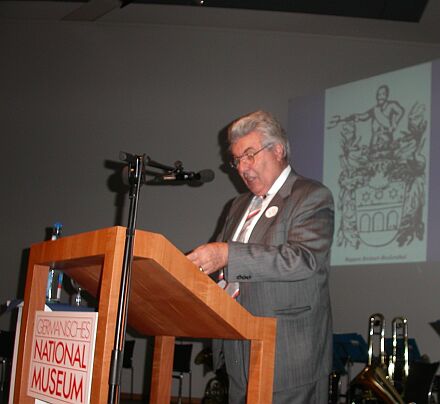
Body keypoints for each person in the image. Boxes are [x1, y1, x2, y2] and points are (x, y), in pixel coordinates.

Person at [187, 110, 334, 404]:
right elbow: (221, 269)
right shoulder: (237, 205)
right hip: (237, 351)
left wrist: (227, 254)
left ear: (278, 149)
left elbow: (303, 259)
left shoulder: (310, 195)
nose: (243, 167)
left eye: (250, 155)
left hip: (289, 357)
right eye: (237, 160)